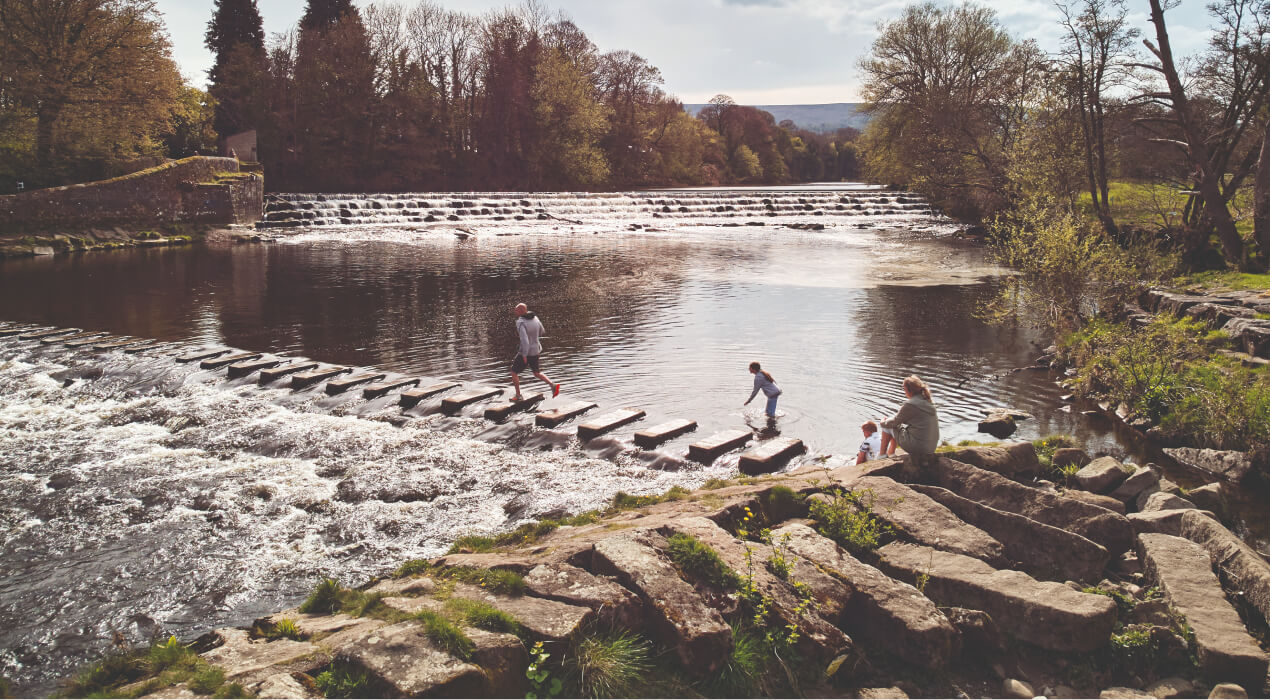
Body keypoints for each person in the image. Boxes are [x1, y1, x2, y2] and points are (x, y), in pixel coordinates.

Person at [880, 375, 940, 465]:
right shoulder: (928, 401)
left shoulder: (910, 404)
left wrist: (882, 422)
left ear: (909, 390)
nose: (904, 392)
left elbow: (894, 422)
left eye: (903, 389)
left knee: (887, 426)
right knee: (895, 425)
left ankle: (881, 457)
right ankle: (891, 454)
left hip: (918, 447)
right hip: (931, 447)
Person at [510, 303, 561, 401]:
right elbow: (542, 331)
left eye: (516, 310)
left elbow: (525, 340)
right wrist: (533, 337)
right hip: (536, 350)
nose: (514, 311)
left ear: (521, 311)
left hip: (526, 352)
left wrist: (524, 355)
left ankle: (518, 396)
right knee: (536, 372)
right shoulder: (535, 318)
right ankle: (553, 385)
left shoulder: (520, 322)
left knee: (514, 372)